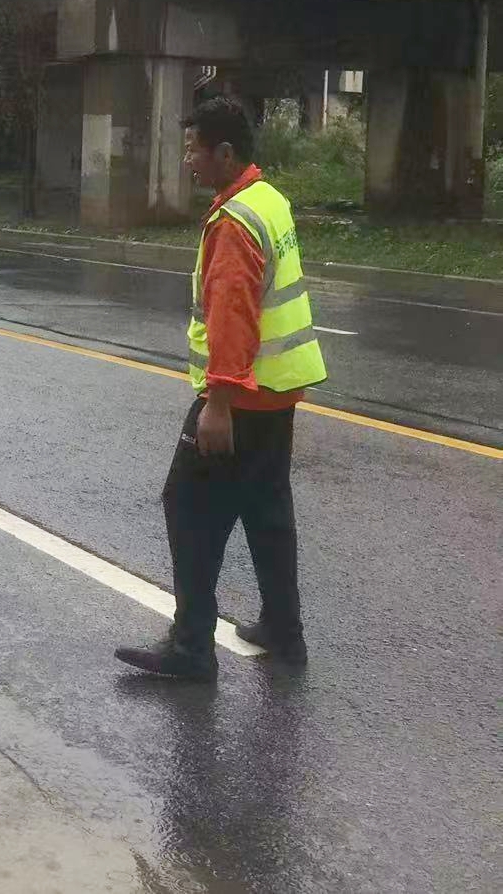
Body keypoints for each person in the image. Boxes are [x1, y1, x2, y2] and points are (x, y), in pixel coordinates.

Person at [116, 96, 326, 681]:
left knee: (186, 505)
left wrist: (219, 402)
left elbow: (234, 313)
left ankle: (190, 650)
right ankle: (285, 632)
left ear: (225, 152)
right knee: (265, 509)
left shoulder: (234, 222)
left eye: (193, 148)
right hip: (277, 393)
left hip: (242, 396)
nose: (187, 159)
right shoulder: (268, 200)